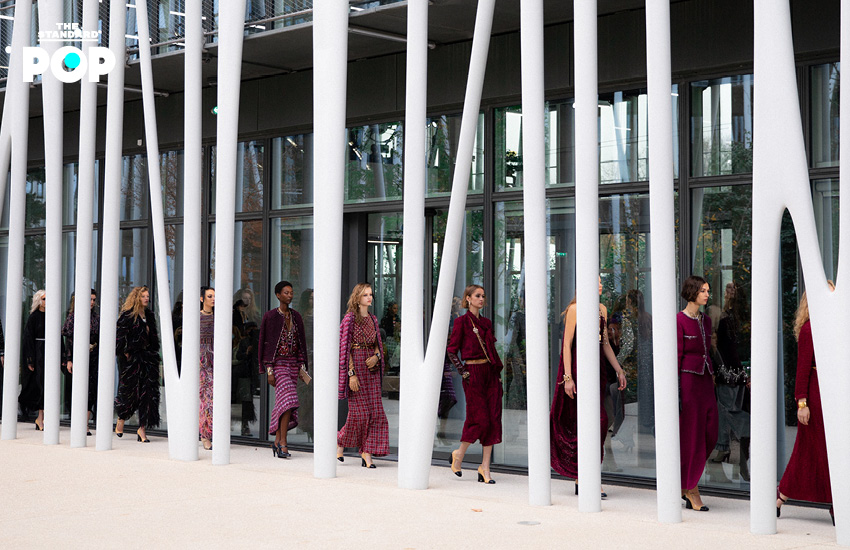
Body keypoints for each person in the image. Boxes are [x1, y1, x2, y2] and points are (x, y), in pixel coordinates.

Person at [550, 278, 627, 496]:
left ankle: (585, 475)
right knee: (585, 422)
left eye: (601, 281)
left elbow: (605, 343)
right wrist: (567, 377)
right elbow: (566, 344)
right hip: (578, 368)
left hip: (598, 370)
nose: (600, 285)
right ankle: (585, 476)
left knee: (600, 421)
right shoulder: (575, 309)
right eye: (596, 281)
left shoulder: (602, 309)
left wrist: (619, 369)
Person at [777, 284, 834, 525]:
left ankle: (781, 496)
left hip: (833, 395)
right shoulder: (810, 329)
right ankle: (836, 504)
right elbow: (802, 369)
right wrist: (802, 403)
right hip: (816, 398)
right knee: (820, 450)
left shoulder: (834, 325)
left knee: (819, 451)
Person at [446, 284, 504, 484]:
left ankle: (485, 467)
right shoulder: (461, 322)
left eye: (483, 296)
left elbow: (492, 351)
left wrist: (497, 374)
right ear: (468, 298)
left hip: (490, 373)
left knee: (493, 419)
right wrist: (463, 371)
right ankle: (459, 454)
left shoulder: (486, 323)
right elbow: (452, 350)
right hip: (473, 373)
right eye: (477, 295)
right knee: (479, 419)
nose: (481, 299)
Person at [677, 275, 718, 511]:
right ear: (692, 292)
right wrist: (676, 392)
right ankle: (691, 488)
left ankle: (686, 481)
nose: (707, 294)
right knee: (692, 436)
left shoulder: (706, 320)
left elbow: (708, 351)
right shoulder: (679, 320)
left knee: (711, 432)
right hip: (689, 383)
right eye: (703, 290)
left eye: (707, 291)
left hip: (706, 382)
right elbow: (676, 356)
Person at [337, 283, 388, 468]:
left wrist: (376, 357)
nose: (369, 297)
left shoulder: (373, 319)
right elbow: (345, 348)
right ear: (357, 297)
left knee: (376, 412)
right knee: (359, 414)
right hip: (356, 367)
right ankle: (340, 441)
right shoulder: (349, 319)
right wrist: (351, 374)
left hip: (371, 369)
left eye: (371, 294)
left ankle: (367, 452)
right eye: (365, 294)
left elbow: (378, 345)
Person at [259, 281, 308, 459]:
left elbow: (301, 343)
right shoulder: (270, 316)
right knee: (289, 399)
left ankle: (277, 441)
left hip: (293, 365)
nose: (290, 295)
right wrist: (269, 370)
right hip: (278, 365)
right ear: (278, 295)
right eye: (286, 293)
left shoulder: (296, 316)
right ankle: (283, 442)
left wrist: (302, 366)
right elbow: (264, 344)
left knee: (285, 404)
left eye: (291, 292)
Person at [713, 282, 750, 481]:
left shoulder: (733, 317)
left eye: (732, 289)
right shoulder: (722, 315)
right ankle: (727, 453)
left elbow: (732, 347)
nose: (729, 293)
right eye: (727, 289)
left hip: (734, 372)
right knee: (728, 414)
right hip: (728, 371)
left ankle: (734, 457)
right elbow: (719, 346)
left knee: (734, 415)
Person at [114, 286, 161, 443]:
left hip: (149, 358)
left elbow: (153, 338)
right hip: (133, 359)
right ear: (136, 298)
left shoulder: (149, 315)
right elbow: (120, 337)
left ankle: (142, 429)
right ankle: (121, 418)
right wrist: (126, 353)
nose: (146, 298)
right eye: (143, 296)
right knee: (130, 391)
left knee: (148, 393)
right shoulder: (128, 316)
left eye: (147, 296)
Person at [63, 289, 100, 435]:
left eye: (94, 300)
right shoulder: (73, 317)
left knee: (91, 389)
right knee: (78, 389)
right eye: (90, 299)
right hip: (77, 356)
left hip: (94, 356)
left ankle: (85, 424)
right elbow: (69, 340)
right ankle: (77, 422)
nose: (92, 302)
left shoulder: (96, 317)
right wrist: (69, 360)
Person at [20, 290, 47, 430]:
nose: (46, 302)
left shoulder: (51, 316)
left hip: (49, 352)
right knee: (40, 384)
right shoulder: (33, 317)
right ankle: (40, 418)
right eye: (44, 299)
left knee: (48, 384)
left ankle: (42, 418)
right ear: (38, 301)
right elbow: (28, 339)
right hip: (38, 354)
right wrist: (30, 359)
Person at [295, 288, 314, 441]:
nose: (313, 301)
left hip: (318, 356)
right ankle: (306, 426)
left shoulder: (321, 316)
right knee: (305, 393)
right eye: (311, 298)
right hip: (305, 358)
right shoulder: (301, 317)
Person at [198, 286, 215, 450]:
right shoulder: (196, 317)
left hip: (216, 362)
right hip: (201, 363)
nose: (213, 299)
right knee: (205, 398)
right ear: (202, 299)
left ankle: (210, 432)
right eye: (210, 296)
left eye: (214, 296)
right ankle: (205, 435)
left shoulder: (218, 318)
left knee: (214, 397)